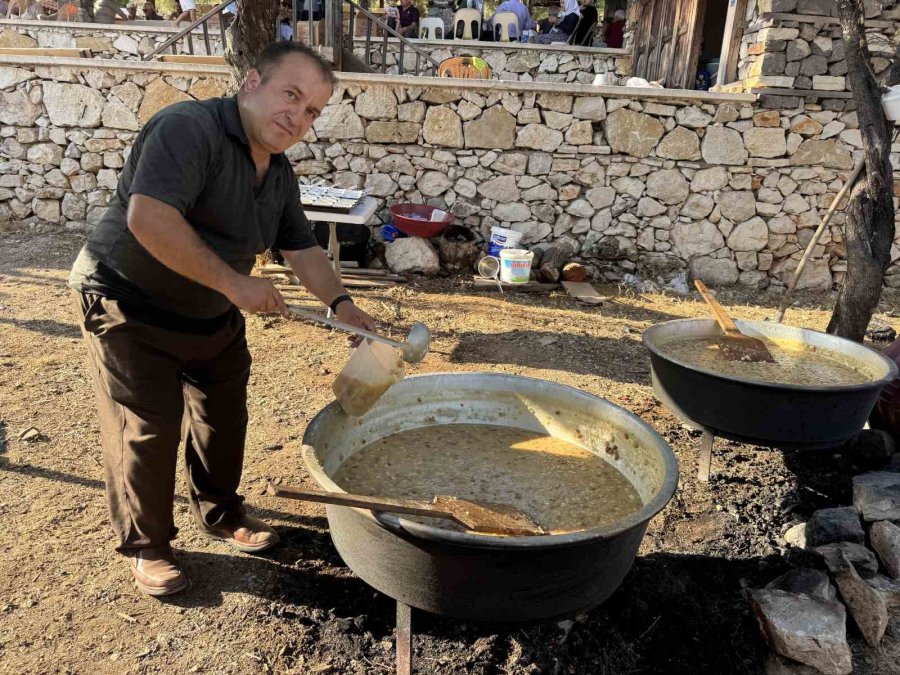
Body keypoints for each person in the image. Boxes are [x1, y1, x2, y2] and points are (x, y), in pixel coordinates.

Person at [69, 41, 376, 597]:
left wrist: (342, 306)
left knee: (224, 413)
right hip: (127, 301)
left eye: (311, 110)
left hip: (209, 310)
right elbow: (149, 216)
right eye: (291, 94)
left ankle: (222, 512)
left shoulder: (278, 173)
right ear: (251, 81)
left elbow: (301, 248)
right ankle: (150, 546)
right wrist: (236, 284)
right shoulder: (188, 129)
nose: (298, 116)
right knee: (149, 427)